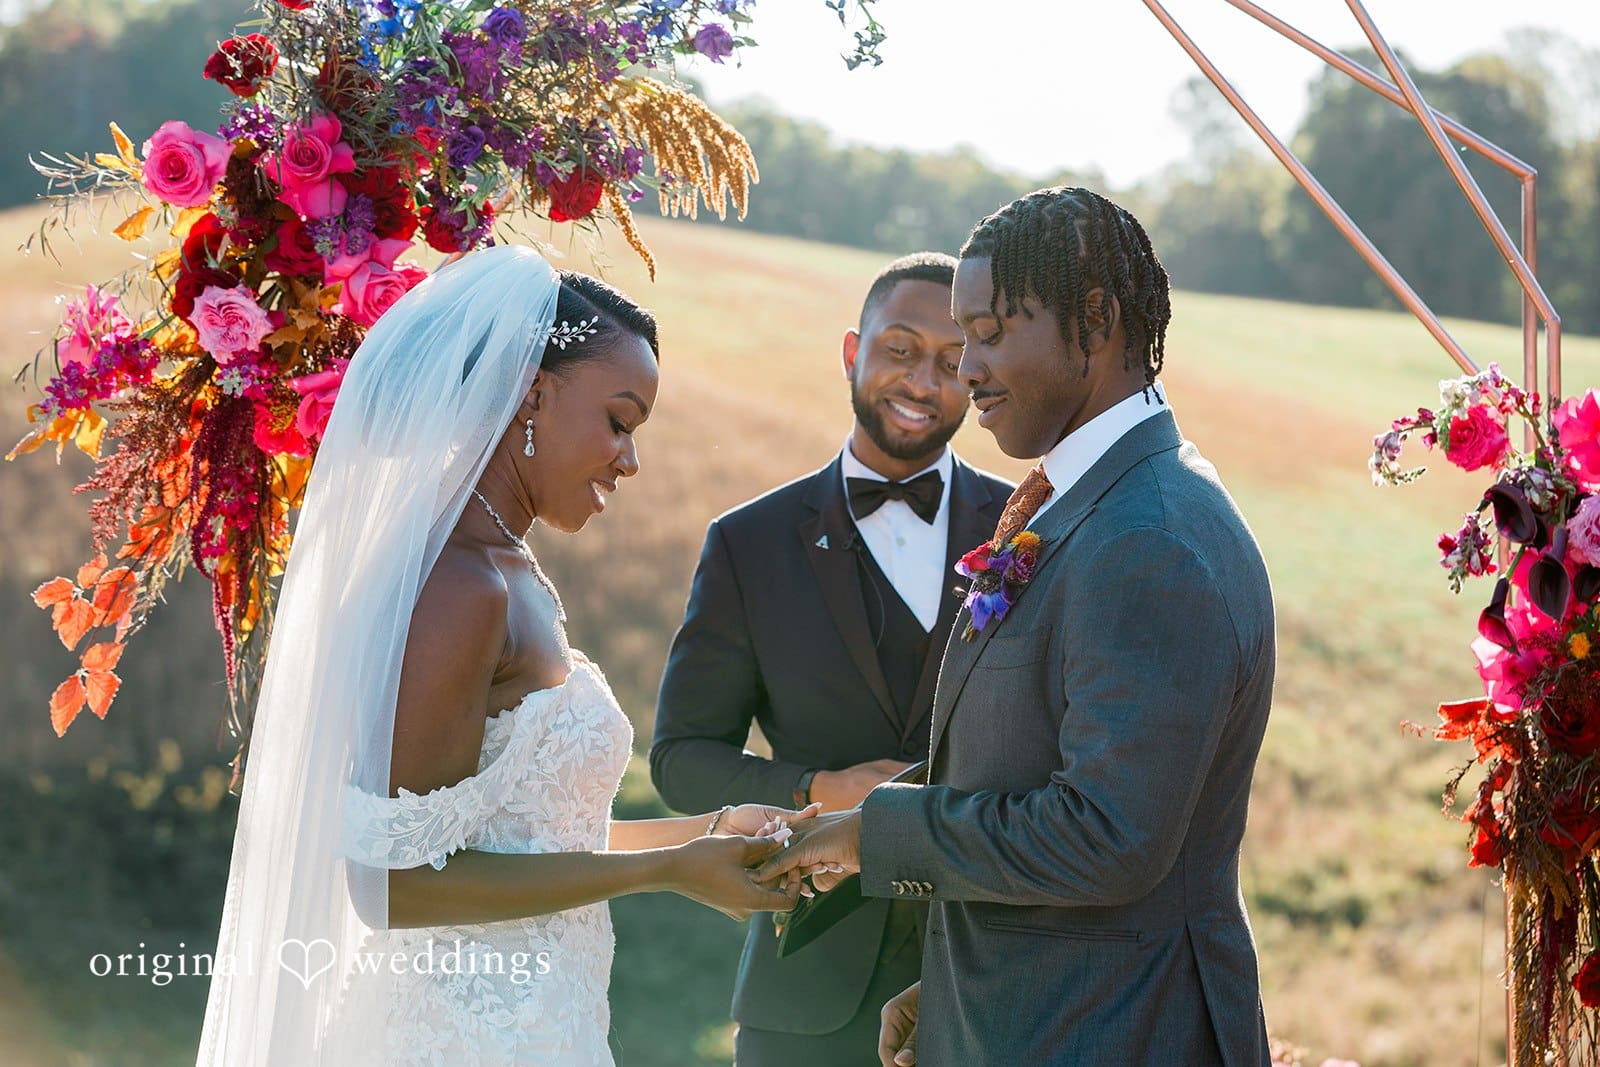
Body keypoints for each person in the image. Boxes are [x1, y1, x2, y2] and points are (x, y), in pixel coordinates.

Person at [195, 245, 812, 1067]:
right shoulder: (461, 584)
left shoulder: (510, 567)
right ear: (532, 392)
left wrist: (707, 833)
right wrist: (667, 870)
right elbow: (390, 884)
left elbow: (532, 834)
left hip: (542, 1024)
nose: (630, 459)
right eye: (619, 422)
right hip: (454, 1035)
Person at [757, 188, 1277, 1066]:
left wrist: (877, 830)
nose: (967, 371)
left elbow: (1106, 836)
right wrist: (953, 985)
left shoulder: (1152, 535)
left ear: (1098, 320)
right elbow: (1023, 753)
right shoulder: (1088, 501)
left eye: (991, 333)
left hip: (1117, 1032)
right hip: (1037, 1014)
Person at [650, 253, 1011, 1064]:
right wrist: (820, 789)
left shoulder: (1026, 531)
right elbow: (681, 760)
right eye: (900, 348)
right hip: (806, 990)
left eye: (954, 362)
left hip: (991, 981)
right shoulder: (749, 544)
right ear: (852, 352)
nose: (924, 381)